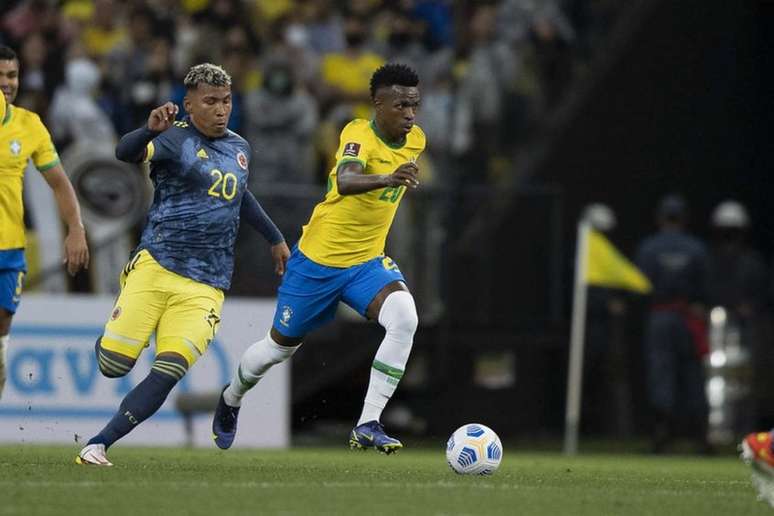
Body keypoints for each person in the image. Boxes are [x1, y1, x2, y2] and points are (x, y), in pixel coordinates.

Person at [75, 63, 290, 466]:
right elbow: (126, 153)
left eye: (226, 101)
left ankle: (98, 444)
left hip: (206, 284)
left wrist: (275, 238)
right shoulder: (174, 140)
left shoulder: (240, 148)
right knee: (112, 366)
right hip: (157, 264)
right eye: (210, 102)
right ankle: (117, 335)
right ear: (189, 105)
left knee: (169, 369)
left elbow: (239, 194)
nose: (221, 109)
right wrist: (150, 130)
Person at [212, 63, 425, 453]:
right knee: (277, 349)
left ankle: (367, 423)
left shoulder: (416, 141)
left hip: (366, 264)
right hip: (317, 263)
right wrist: (388, 177)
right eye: (401, 105)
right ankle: (231, 398)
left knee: (405, 318)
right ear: (378, 104)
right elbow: (345, 180)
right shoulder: (357, 133)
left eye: (414, 105)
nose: (410, 113)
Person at [0, 45, 89, 400]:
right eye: (0, 75)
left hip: (10, 249)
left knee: (3, 330)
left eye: (12, 75)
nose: (7, 83)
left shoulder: (29, 125)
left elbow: (59, 183)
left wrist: (76, 228)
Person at [635, 194, 711, 454]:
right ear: (684, 218)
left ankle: (661, 434)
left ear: (660, 218)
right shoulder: (696, 248)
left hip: (660, 316)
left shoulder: (649, 247)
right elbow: (705, 286)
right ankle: (700, 437)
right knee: (693, 374)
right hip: (688, 316)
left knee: (660, 374)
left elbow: (640, 286)